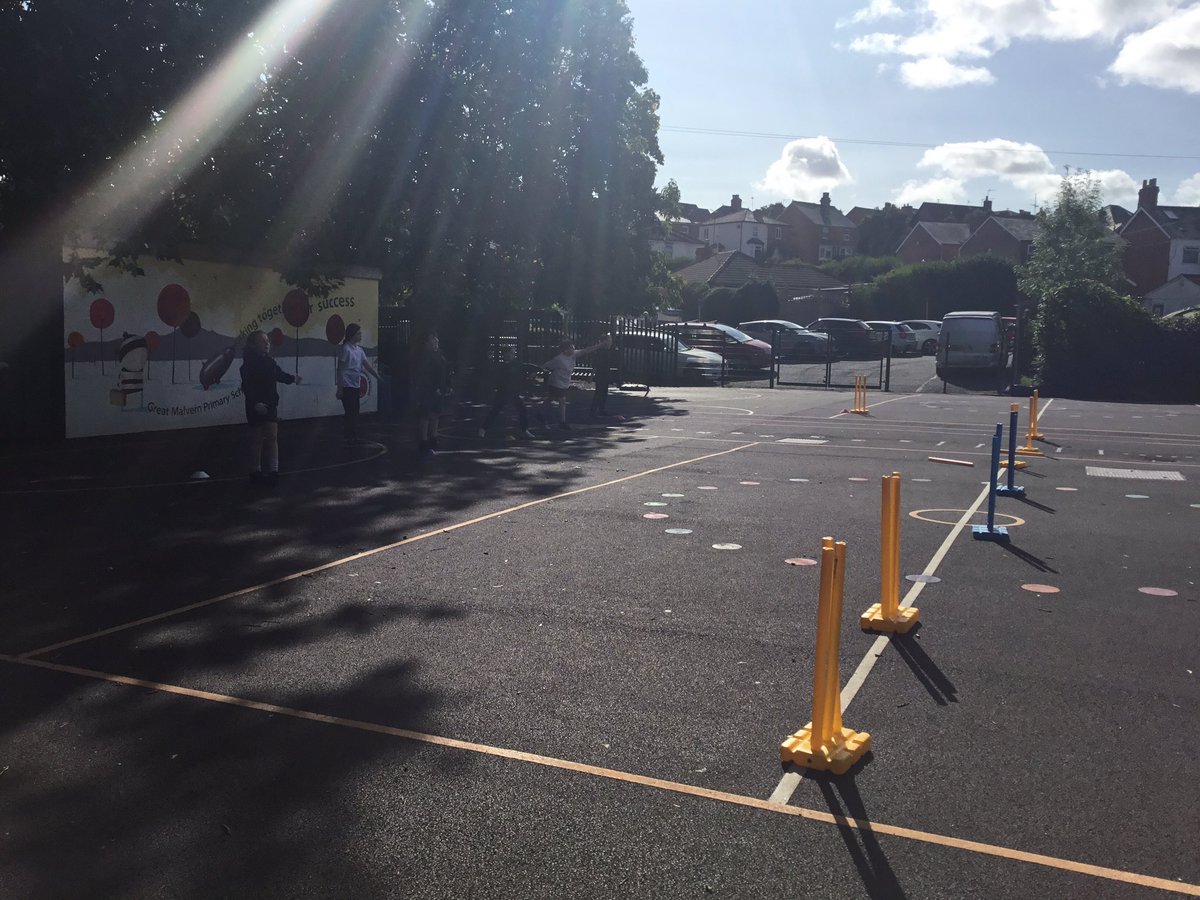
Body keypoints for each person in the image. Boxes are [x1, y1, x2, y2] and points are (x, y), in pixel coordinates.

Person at [240, 330, 302, 486]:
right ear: (254, 345)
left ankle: (274, 470)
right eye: (263, 341)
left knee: (272, 437)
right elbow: (247, 386)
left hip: (270, 404)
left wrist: (293, 378)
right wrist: (255, 403)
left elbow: (279, 375)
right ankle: (255, 470)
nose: (267, 344)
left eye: (267, 341)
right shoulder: (247, 365)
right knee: (256, 439)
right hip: (256, 406)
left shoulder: (270, 362)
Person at [541, 335, 610, 430]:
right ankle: (562, 422)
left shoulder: (573, 354)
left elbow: (586, 350)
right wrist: (534, 372)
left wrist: (599, 345)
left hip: (564, 382)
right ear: (565, 350)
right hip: (556, 382)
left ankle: (540, 414)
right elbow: (546, 365)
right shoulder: (559, 359)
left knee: (550, 398)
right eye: (570, 347)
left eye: (573, 346)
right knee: (562, 400)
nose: (573, 348)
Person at [335, 323, 379, 445]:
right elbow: (340, 369)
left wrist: (377, 376)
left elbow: (366, 365)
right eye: (358, 333)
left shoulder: (359, 350)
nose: (360, 335)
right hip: (347, 385)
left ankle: (352, 434)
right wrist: (340, 388)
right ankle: (349, 435)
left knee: (355, 411)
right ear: (352, 334)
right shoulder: (346, 349)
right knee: (350, 411)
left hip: (355, 384)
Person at [411, 332, 451, 456]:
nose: (436, 341)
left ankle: (434, 437)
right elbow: (423, 375)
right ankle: (424, 440)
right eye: (433, 340)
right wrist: (433, 388)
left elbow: (446, 370)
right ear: (426, 343)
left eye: (436, 339)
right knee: (425, 414)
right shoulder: (424, 357)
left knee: (436, 413)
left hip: (440, 388)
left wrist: (448, 385)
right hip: (428, 390)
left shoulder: (441, 354)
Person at [477, 356, 535, 440]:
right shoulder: (502, 367)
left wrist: (534, 372)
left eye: (511, 354)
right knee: (495, 411)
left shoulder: (518, 365)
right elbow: (497, 379)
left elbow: (529, 367)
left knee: (522, 410)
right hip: (502, 393)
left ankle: (524, 430)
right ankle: (482, 430)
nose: (510, 356)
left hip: (513, 393)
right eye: (508, 354)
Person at [589, 333, 619, 418]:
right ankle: (593, 411)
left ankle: (601, 409)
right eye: (609, 340)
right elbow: (595, 365)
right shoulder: (600, 351)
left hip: (606, 373)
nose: (610, 342)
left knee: (604, 392)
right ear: (604, 341)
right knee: (598, 393)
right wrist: (591, 376)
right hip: (600, 374)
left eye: (611, 340)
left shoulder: (610, 350)